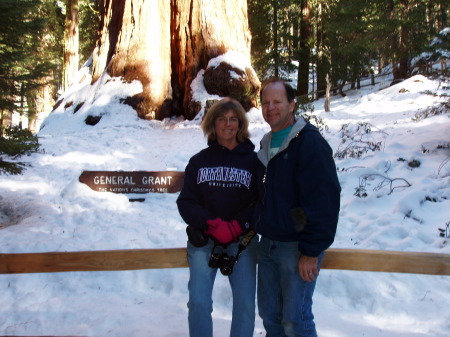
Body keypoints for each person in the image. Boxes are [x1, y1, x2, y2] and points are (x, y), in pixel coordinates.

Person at [253, 78, 341, 337]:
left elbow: (325, 199)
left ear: (292, 104)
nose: (271, 108)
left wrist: (311, 251)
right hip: (268, 244)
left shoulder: (309, 143)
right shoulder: (267, 143)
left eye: (277, 102)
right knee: (271, 318)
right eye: (265, 102)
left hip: (296, 247)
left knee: (295, 321)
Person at [177, 97, 259, 337]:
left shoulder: (254, 162)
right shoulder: (199, 161)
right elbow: (186, 202)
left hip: (242, 241)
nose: (227, 124)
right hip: (205, 241)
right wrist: (210, 224)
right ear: (212, 124)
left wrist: (237, 226)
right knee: (199, 303)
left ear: (240, 125)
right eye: (222, 119)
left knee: (244, 305)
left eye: (233, 119)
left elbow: (261, 203)